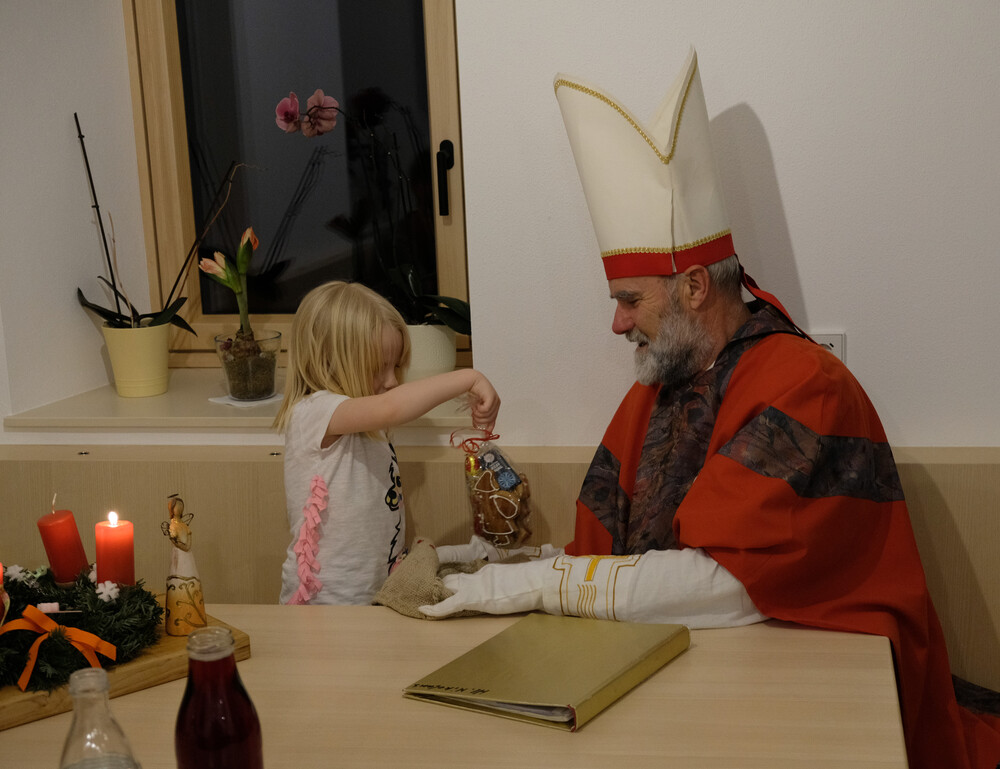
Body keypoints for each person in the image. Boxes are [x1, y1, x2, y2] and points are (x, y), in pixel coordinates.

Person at [420, 48, 1000, 769]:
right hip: (698, 676)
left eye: (629, 300)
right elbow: (604, 559)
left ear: (695, 287)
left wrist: (522, 584)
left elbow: (733, 584)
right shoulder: (658, 387)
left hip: (818, 692)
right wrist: (481, 564)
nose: (617, 323)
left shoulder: (805, 384)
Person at [273, 281, 500, 606]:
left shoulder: (369, 428)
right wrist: (470, 378)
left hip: (373, 592)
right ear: (332, 362)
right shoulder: (313, 412)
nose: (392, 380)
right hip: (325, 600)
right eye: (380, 368)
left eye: (396, 366)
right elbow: (392, 407)